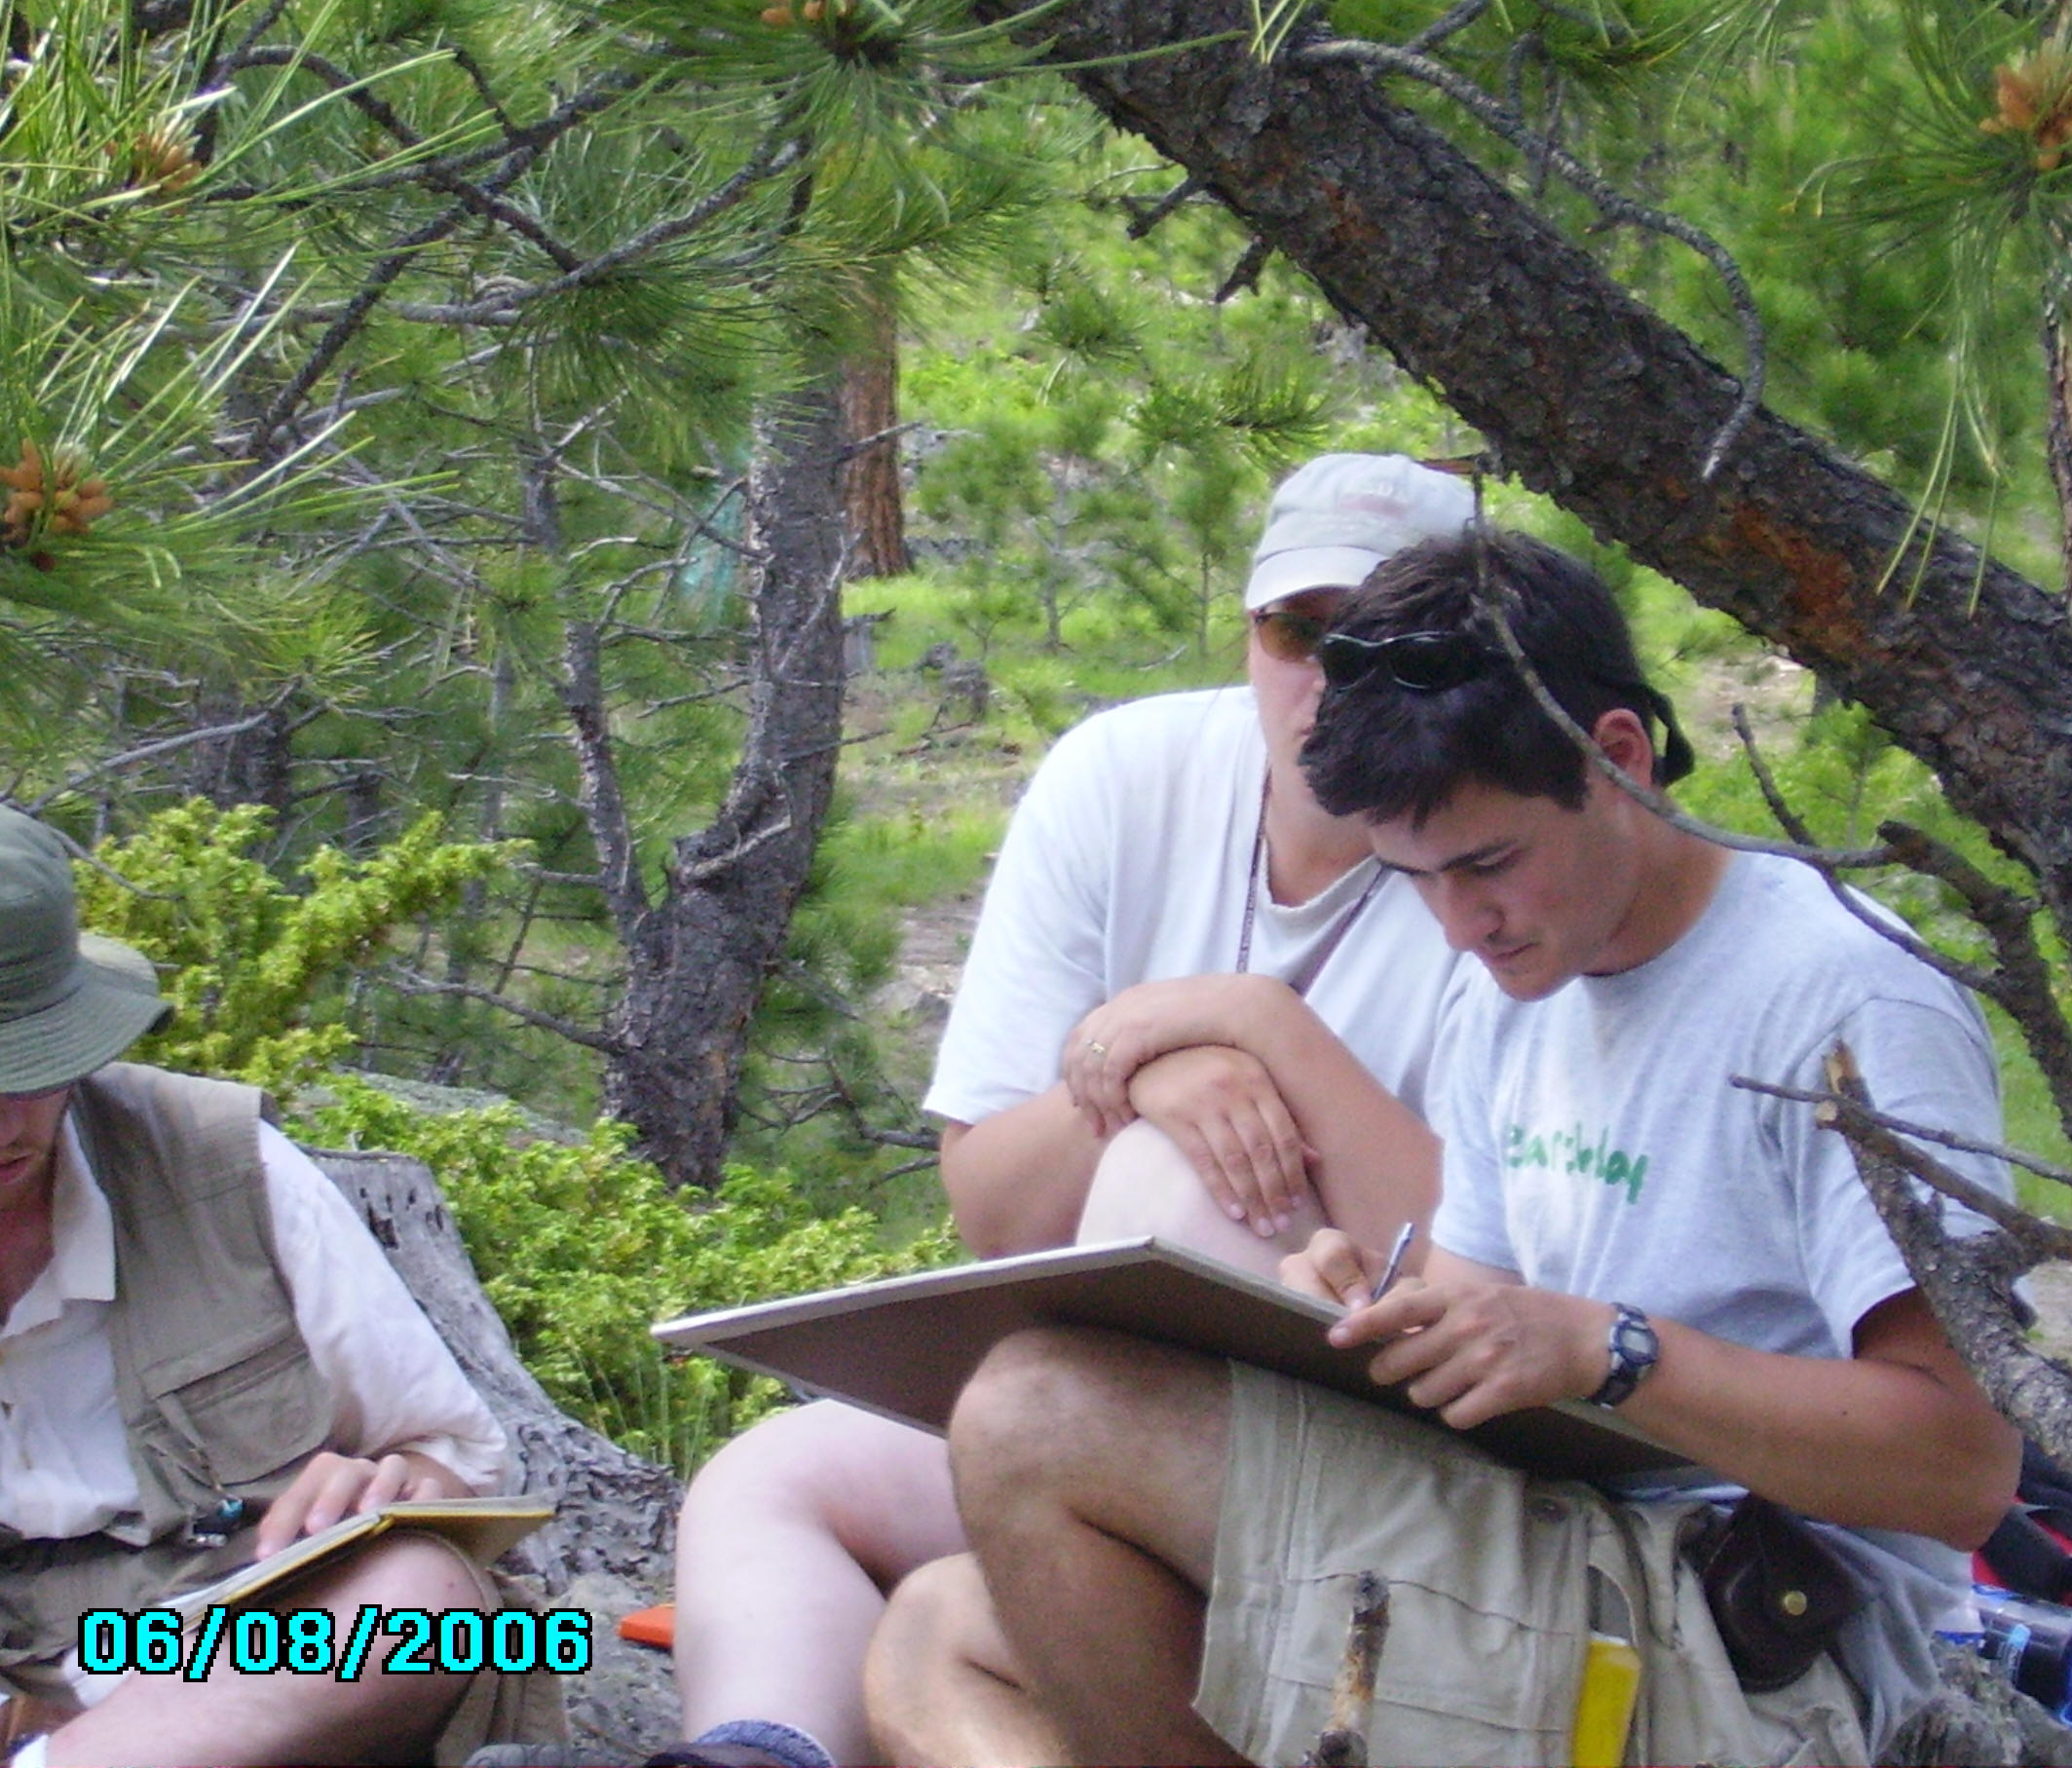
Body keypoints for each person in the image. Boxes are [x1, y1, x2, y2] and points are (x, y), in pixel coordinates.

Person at [864, 528, 2024, 1767]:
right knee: (941, 1634)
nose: (1461, 923)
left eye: (1487, 863)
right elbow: (1477, 1303)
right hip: (1550, 1548)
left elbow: (1960, 1467)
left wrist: (1608, 1351)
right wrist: (1373, 1314)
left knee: (1035, 1415)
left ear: (1618, 757)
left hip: (1754, 1644)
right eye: (1415, 878)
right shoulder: (1512, 989)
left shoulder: (1843, 998)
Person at [656, 455, 1472, 1768]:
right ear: (1251, 631)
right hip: (1078, 1420)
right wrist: (1134, 1071)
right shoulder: (1125, 774)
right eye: (1300, 632)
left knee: (1159, 1189)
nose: (1334, 678)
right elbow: (991, 1205)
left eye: (1396, 646)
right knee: (771, 1478)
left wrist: (1260, 1034)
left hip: (1371, 1460)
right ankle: (758, 1753)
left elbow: (1483, 1272)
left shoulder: (1499, 857)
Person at [0, 807, 549, 1767]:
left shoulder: (228, 1168)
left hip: (226, 1643)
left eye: (27, 1071)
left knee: (427, 1602)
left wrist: (394, 1486)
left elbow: (468, 1466)